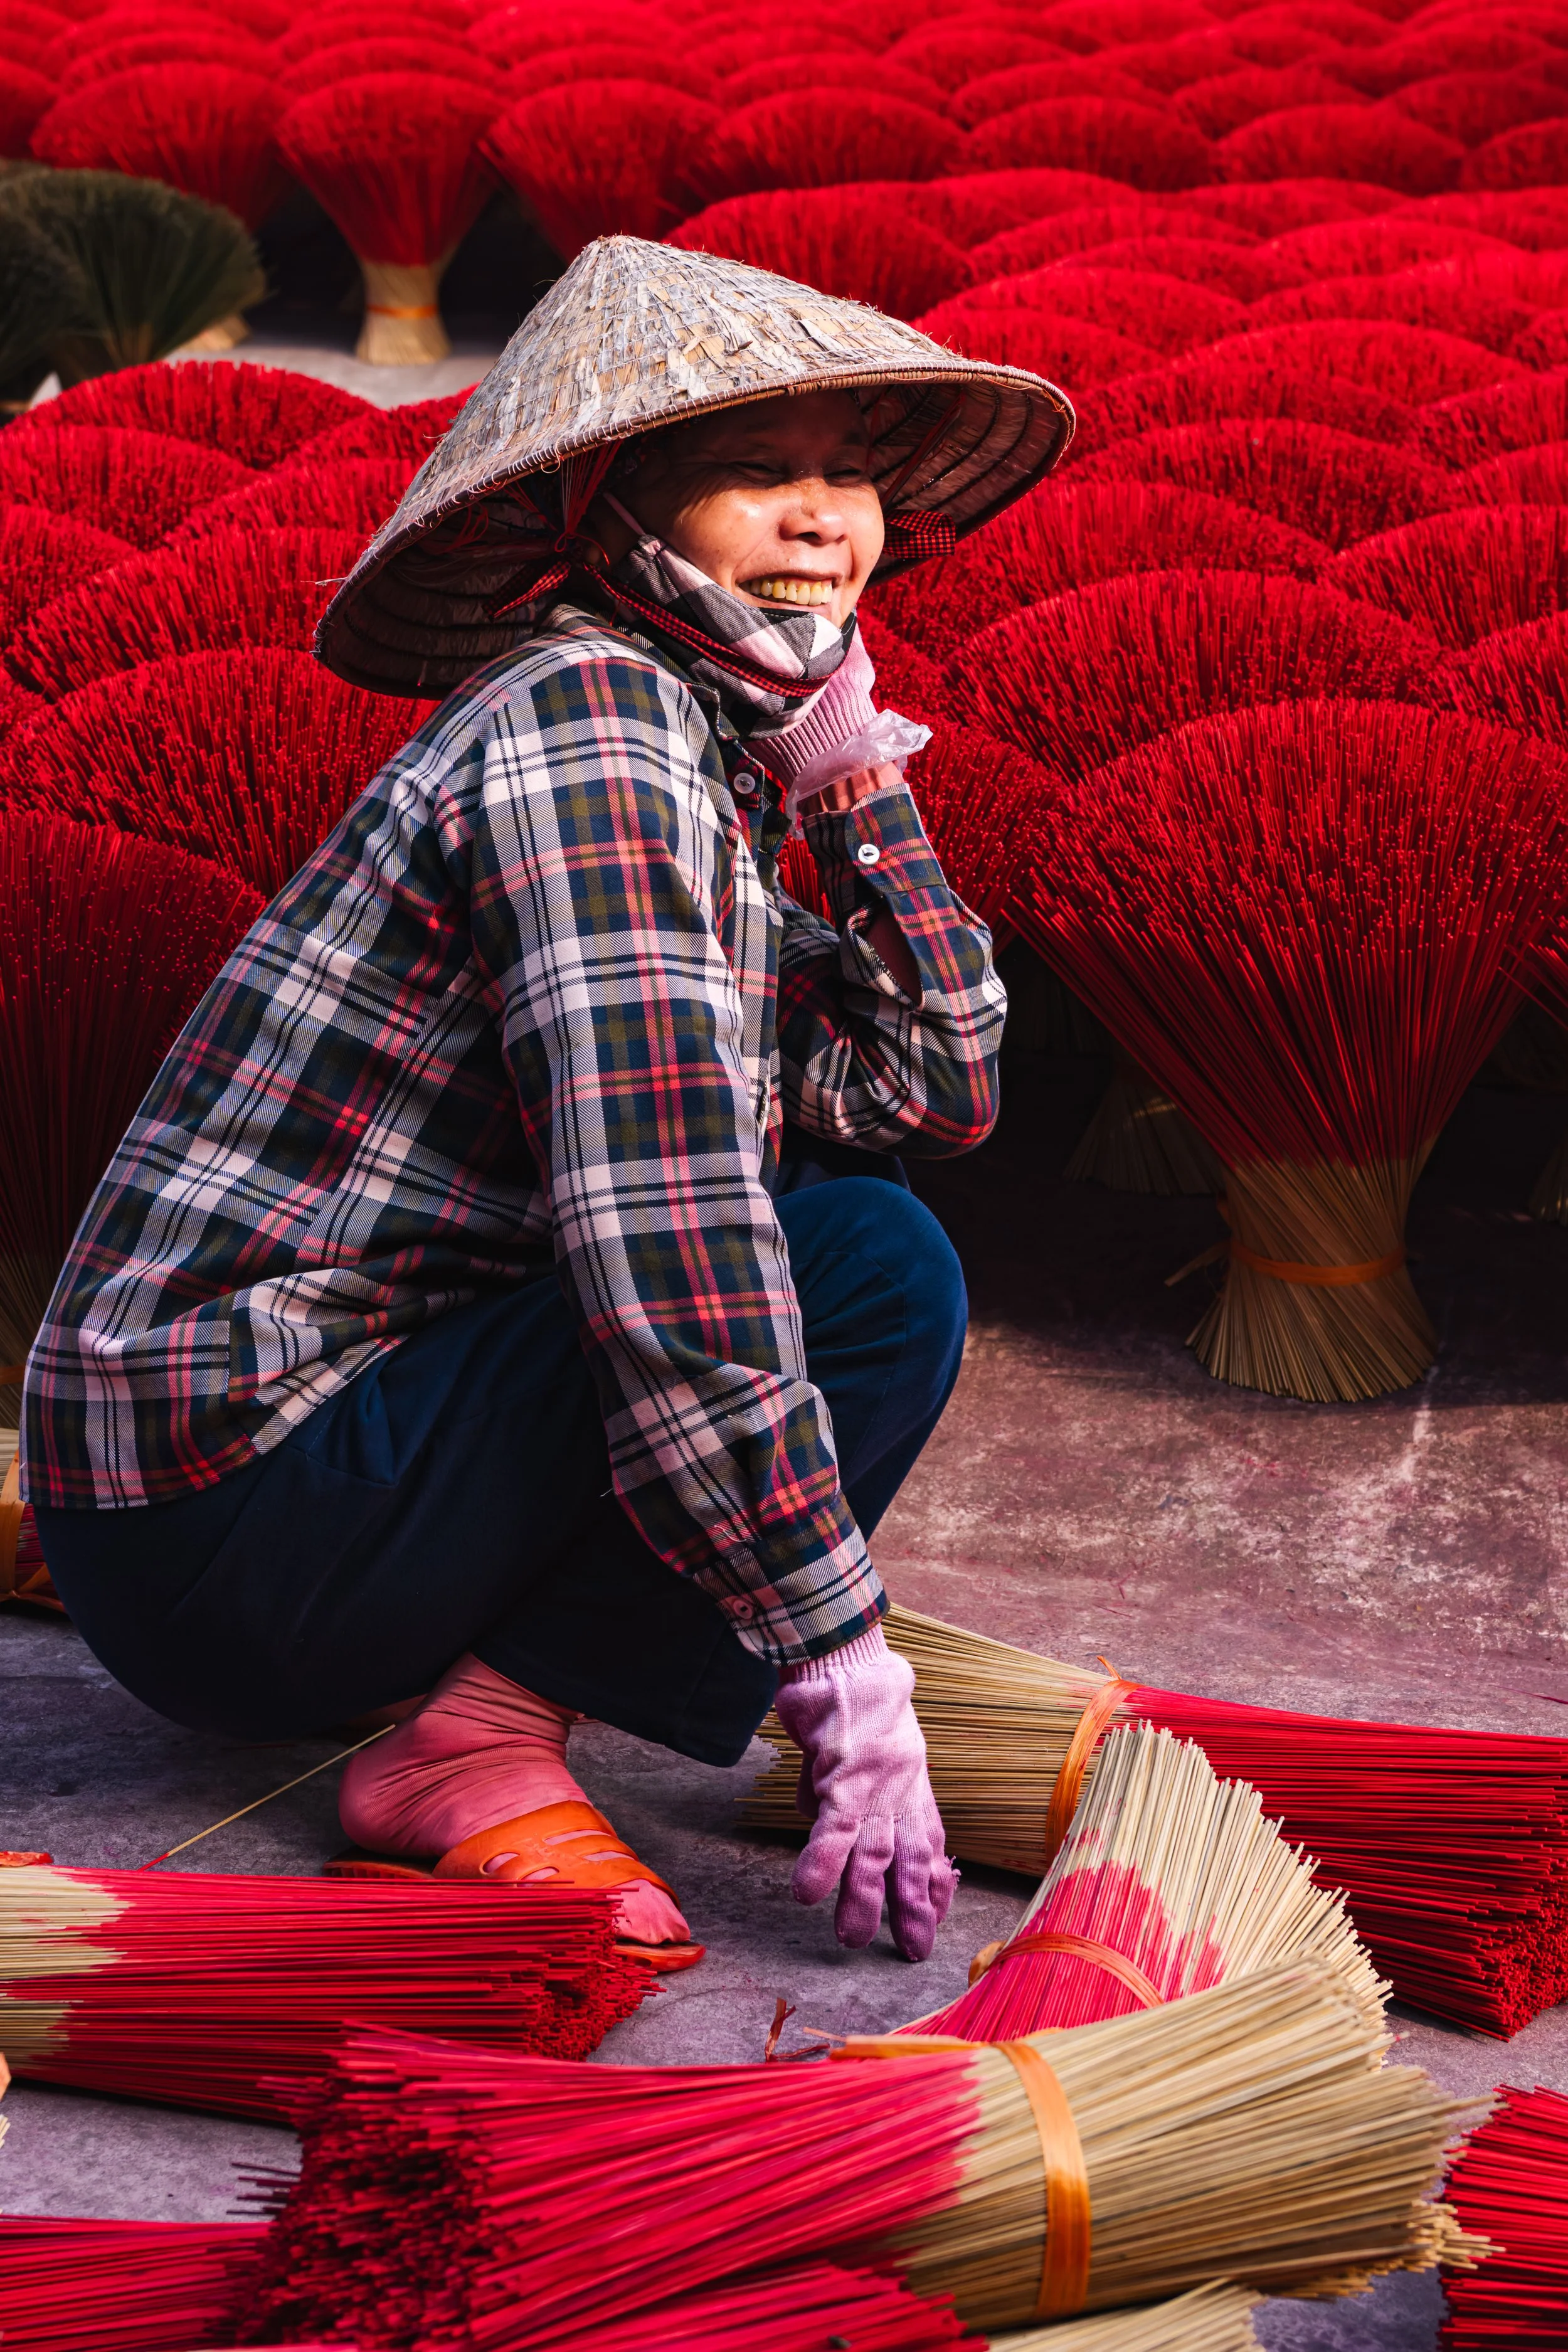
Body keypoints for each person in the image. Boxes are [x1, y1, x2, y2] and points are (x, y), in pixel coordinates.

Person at [23, 237, 1072, 1971]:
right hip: (224, 1504)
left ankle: (485, 1699)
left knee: (866, 1220)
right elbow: (666, 1224)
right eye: (759, 471)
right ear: (623, 515)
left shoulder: (708, 754)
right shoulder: (594, 730)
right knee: (868, 1268)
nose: (823, 517)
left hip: (298, 1484)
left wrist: (862, 784)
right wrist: (837, 1652)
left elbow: (925, 1088)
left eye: (849, 474)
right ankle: (477, 1743)